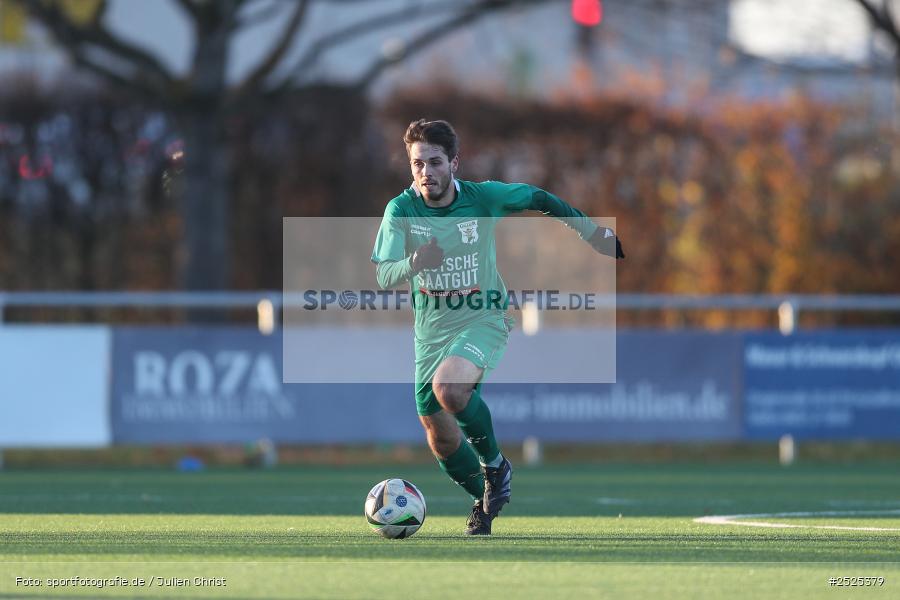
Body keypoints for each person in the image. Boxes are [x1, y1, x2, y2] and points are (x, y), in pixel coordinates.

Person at [371, 119, 624, 535]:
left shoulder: (483, 198)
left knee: (449, 389)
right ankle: (483, 502)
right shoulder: (401, 210)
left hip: (483, 316)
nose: (425, 173)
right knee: (442, 439)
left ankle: (495, 467)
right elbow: (383, 275)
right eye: (417, 164)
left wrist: (592, 232)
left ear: (454, 162)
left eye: (434, 162)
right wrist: (414, 264)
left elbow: (539, 197)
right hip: (431, 332)